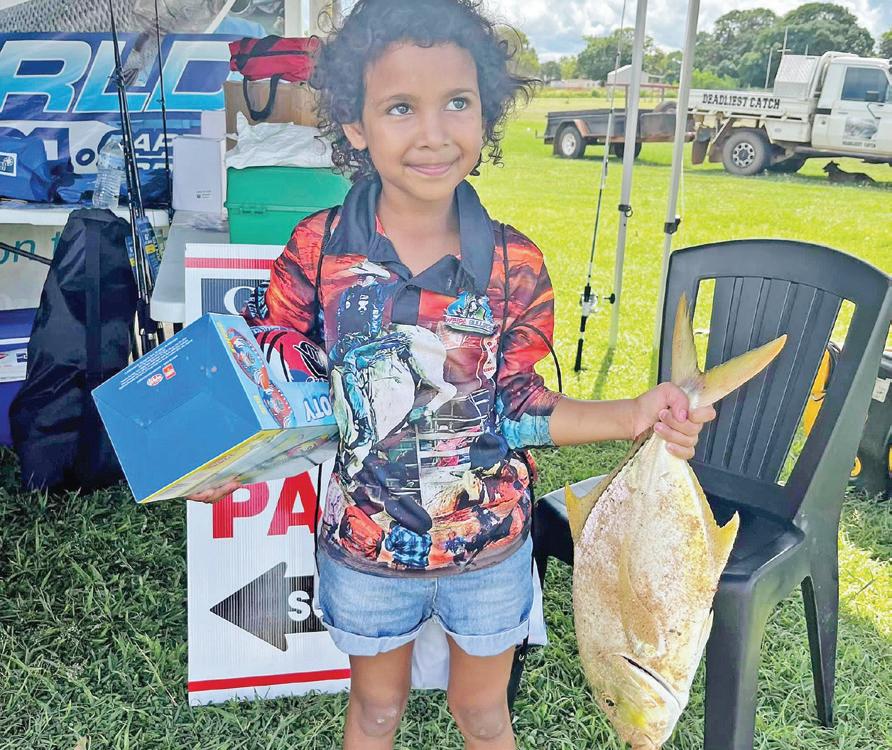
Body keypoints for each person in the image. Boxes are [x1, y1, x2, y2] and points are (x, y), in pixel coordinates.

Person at [189, 1, 717, 747]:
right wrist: (227, 461)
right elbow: (272, 377)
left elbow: (519, 403)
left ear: (486, 115)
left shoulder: (515, 262)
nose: (434, 133)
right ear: (355, 125)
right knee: (376, 711)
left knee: (484, 714)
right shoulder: (316, 249)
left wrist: (636, 412)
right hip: (364, 551)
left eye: (458, 103)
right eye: (400, 107)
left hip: (491, 551)